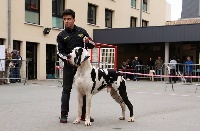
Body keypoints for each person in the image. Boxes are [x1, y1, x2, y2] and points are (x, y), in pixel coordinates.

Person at [57, 9, 95, 123]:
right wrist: (67, 59)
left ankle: (84, 115)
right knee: (66, 90)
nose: (66, 21)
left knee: (83, 90)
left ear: (74, 19)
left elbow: (92, 45)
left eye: (69, 19)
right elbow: (59, 52)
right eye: (64, 19)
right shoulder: (61, 35)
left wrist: (87, 42)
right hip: (69, 66)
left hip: (82, 67)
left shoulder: (82, 32)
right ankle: (64, 115)